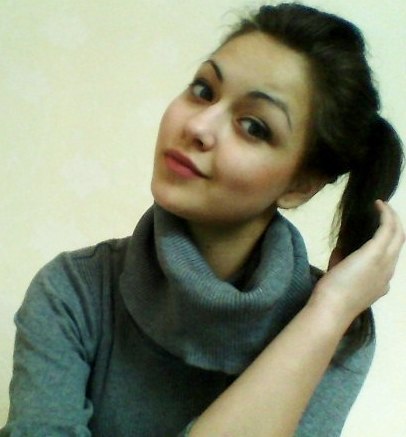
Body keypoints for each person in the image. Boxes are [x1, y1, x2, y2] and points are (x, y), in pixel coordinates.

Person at [1, 3, 404, 436]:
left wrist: (329, 313)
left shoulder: (336, 328)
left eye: (253, 126)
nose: (198, 126)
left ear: (301, 185)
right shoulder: (72, 292)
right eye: (203, 90)